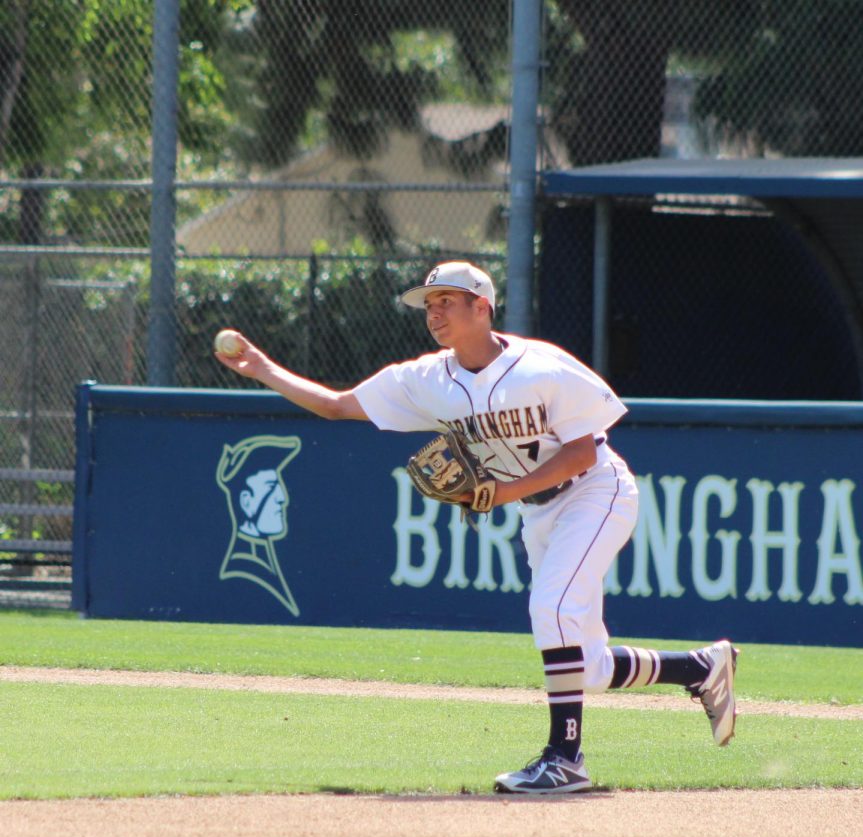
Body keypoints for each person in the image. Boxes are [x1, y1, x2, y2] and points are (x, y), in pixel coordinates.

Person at [215, 259, 738, 794]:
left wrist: (502, 491)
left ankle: (565, 758)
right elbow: (336, 405)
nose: (433, 313)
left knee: (551, 608)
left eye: (446, 301)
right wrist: (262, 368)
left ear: (482, 307)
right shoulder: (425, 380)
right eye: (428, 304)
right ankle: (698, 667)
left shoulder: (542, 367)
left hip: (596, 491)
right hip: (537, 513)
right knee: (586, 668)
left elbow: (582, 452)